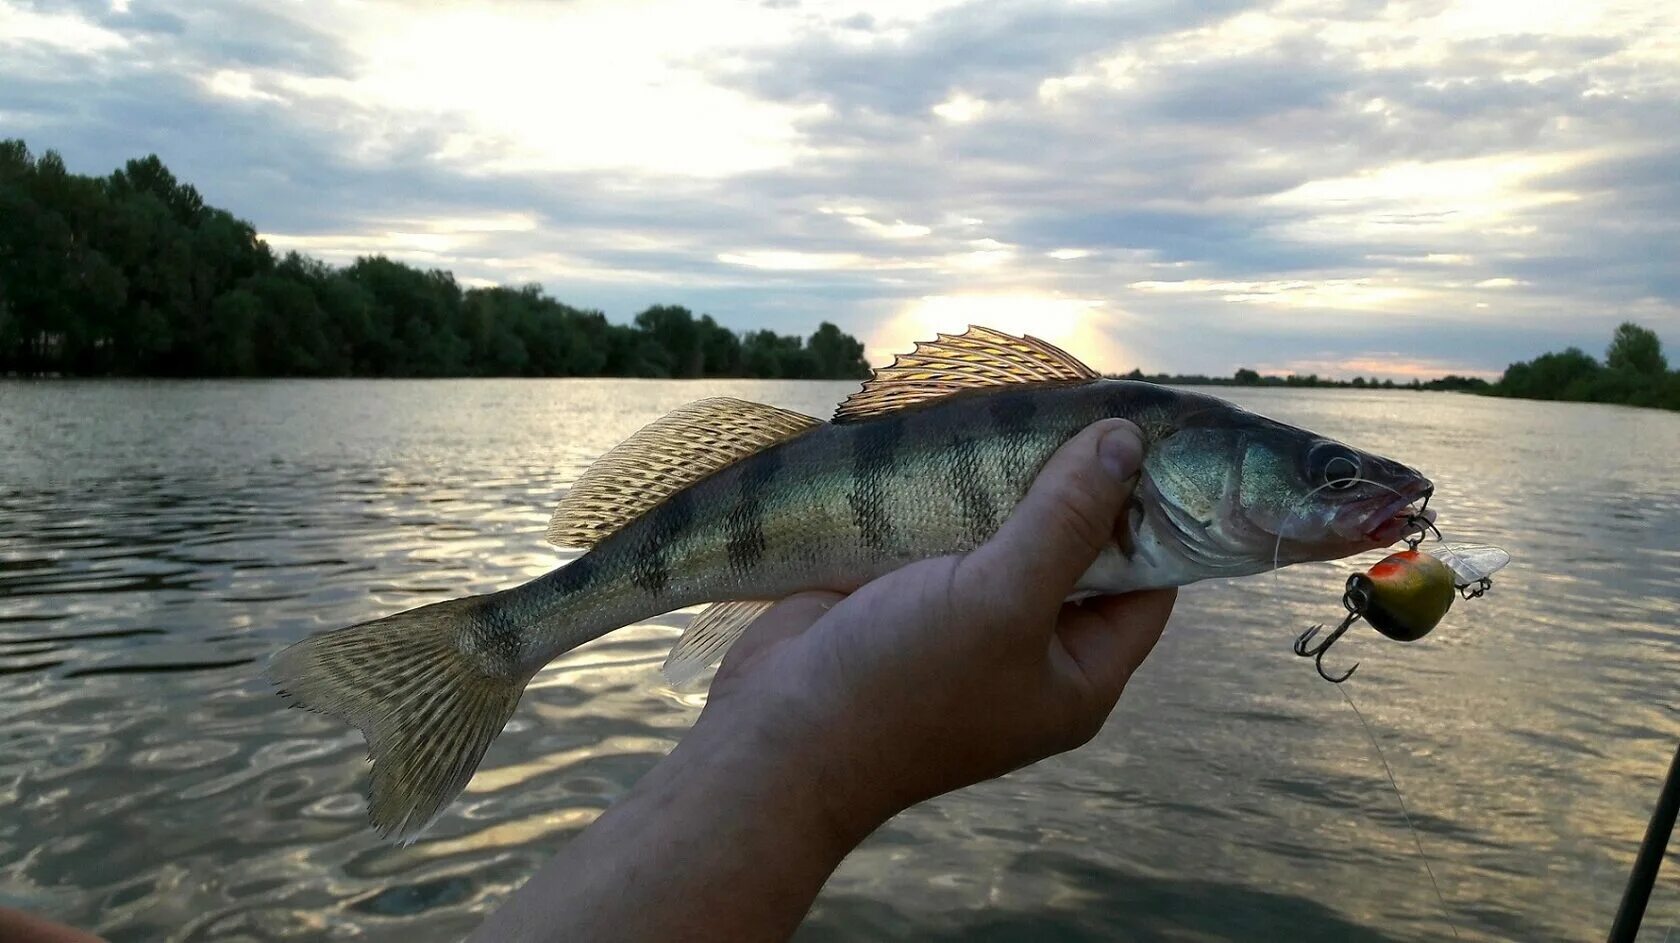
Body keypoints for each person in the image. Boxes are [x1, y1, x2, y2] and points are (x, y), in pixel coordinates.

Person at [472, 418, 1177, 942]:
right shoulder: (1120, 457)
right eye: (1297, 469)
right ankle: (486, 646)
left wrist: (792, 742)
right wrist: (813, 747)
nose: (1297, 490)